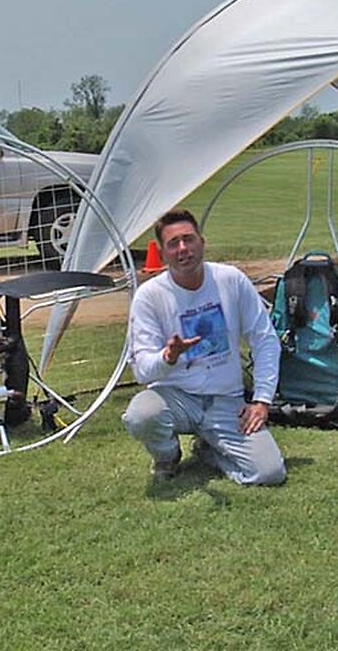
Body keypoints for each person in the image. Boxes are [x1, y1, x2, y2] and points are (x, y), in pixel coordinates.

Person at [122, 208, 286, 486]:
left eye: (189, 239)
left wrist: (261, 400)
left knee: (270, 473)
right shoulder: (149, 297)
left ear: (202, 242)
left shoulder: (231, 280)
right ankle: (167, 456)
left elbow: (265, 339)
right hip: (175, 397)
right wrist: (168, 357)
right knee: (141, 415)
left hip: (226, 400)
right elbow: (143, 373)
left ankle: (209, 449)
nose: (183, 249)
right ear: (162, 254)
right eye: (173, 243)